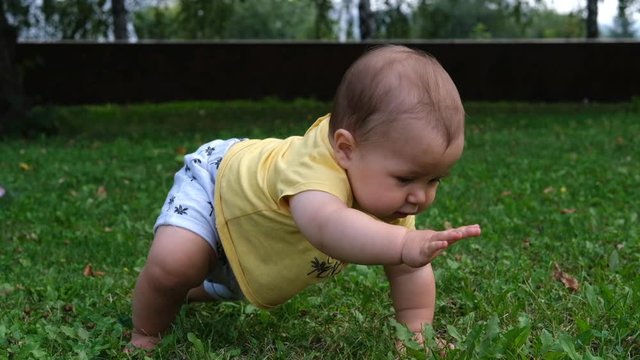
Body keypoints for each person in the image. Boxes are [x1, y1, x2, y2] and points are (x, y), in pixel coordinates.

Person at [129, 44, 481, 351]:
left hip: (257, 239)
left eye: (434, 179)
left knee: (207, 275)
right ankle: (146, 336)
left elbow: (408, 270)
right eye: (406, 178)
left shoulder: (391, 194)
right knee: (176, 264)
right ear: (345, 148)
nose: (420, 196)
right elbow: (326, 225)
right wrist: (404, 243)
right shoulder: (313, 167)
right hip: (216, 184)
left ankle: (194, 288)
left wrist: (417, 333)